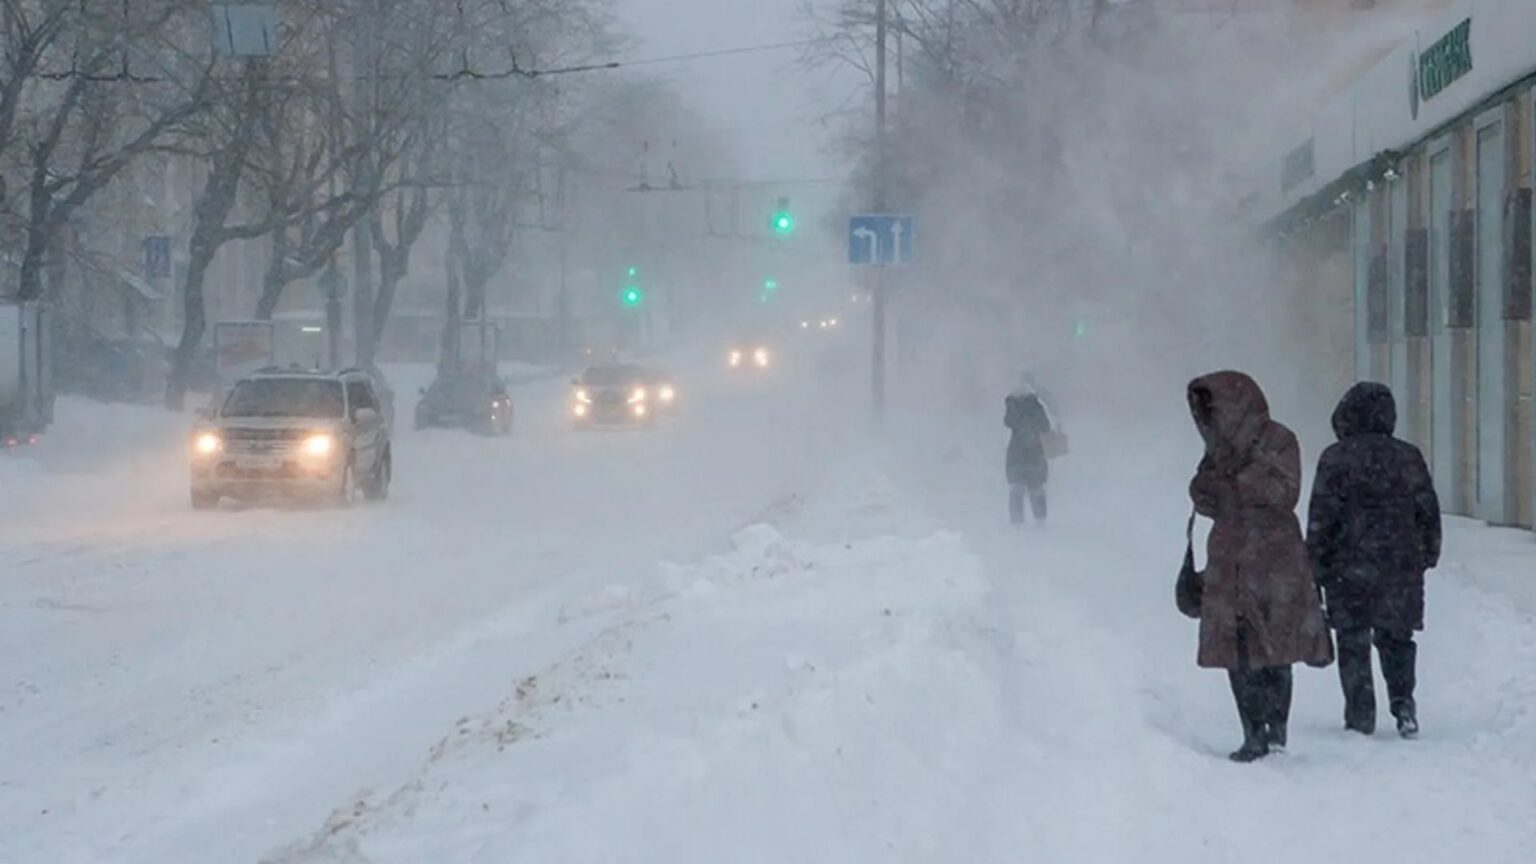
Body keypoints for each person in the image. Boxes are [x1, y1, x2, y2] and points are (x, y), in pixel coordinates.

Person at [1187, 371, 1333, 761]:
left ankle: (1276, 728)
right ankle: (1253, 733)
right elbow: (1204, 495)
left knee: (1277, 646)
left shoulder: (1279, 439)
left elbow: (1285, 492)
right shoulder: (1218, 448)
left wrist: (1235, 484)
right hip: (1230, 558)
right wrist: (1206, 492)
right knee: (1236, 650)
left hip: (1274, 557)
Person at [1305, 382, 1441, 739]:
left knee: (1353, 640)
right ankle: (1403, 703)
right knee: (1397, 637)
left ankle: (1360, 714)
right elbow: (1426, 508)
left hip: (1347, 567)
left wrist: (1314, 566)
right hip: (1400, 564)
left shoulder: (1335, 458)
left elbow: (1322, 516)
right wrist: (1428, 552)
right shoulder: (1408, 456)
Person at [1004, 378, 1051, 525]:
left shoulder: (1012, 407)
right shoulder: (1036, 407)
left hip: (1016, 454)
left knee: (1016, 489)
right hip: (1034, 453)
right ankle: (1040, 520)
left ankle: (1017, 522)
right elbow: (1045, 427)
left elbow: (1008, 422)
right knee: (1036, 487)